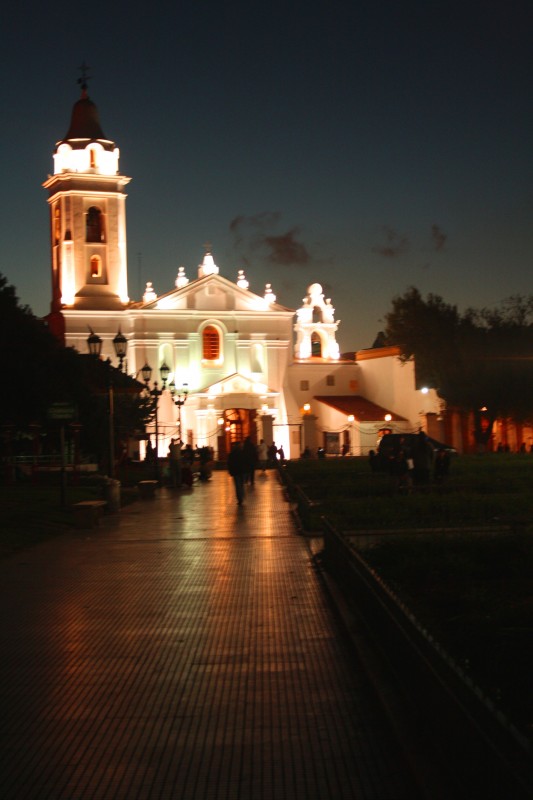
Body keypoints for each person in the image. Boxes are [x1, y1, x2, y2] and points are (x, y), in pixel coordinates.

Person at [227, 440, 246, 505]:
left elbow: (230, 463)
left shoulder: (232, 453)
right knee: (241, 485)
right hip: (241, 471)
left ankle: (239, 498)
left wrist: (230, 471)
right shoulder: (242, 452)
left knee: (238, 485)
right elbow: (245, 462)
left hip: (236, 472)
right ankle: (242, 497)